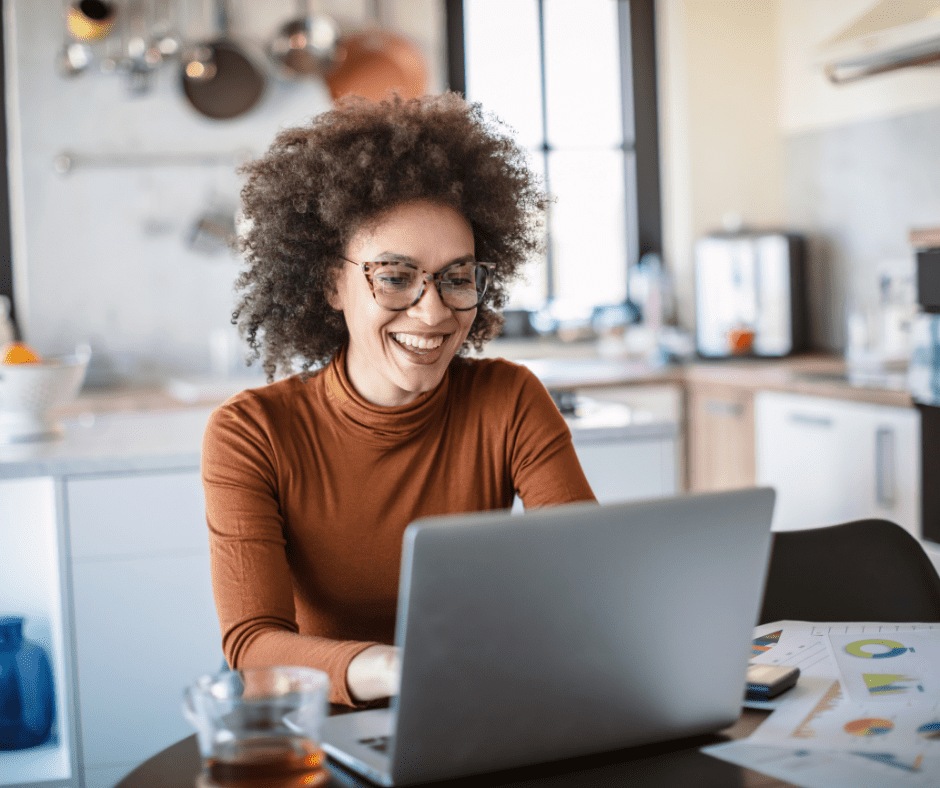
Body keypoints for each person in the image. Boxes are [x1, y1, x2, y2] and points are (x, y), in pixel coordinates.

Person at [201, 92, 596, 708]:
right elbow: (254, 648)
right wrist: (399, 670)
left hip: (483, 703)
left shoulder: (509, 400)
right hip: (328, 729)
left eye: (457, 278)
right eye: (395, 277)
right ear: (331, 282)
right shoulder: (252, 432)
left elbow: (586, 577)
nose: (433, 311)